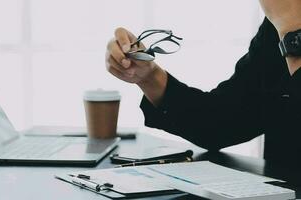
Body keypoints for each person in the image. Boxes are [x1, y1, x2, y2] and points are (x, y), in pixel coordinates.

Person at [105, 0, 301, 163]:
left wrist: (292, 31)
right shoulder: (276, 27)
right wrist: (149, 77)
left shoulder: (288, 20)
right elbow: (221, 123)